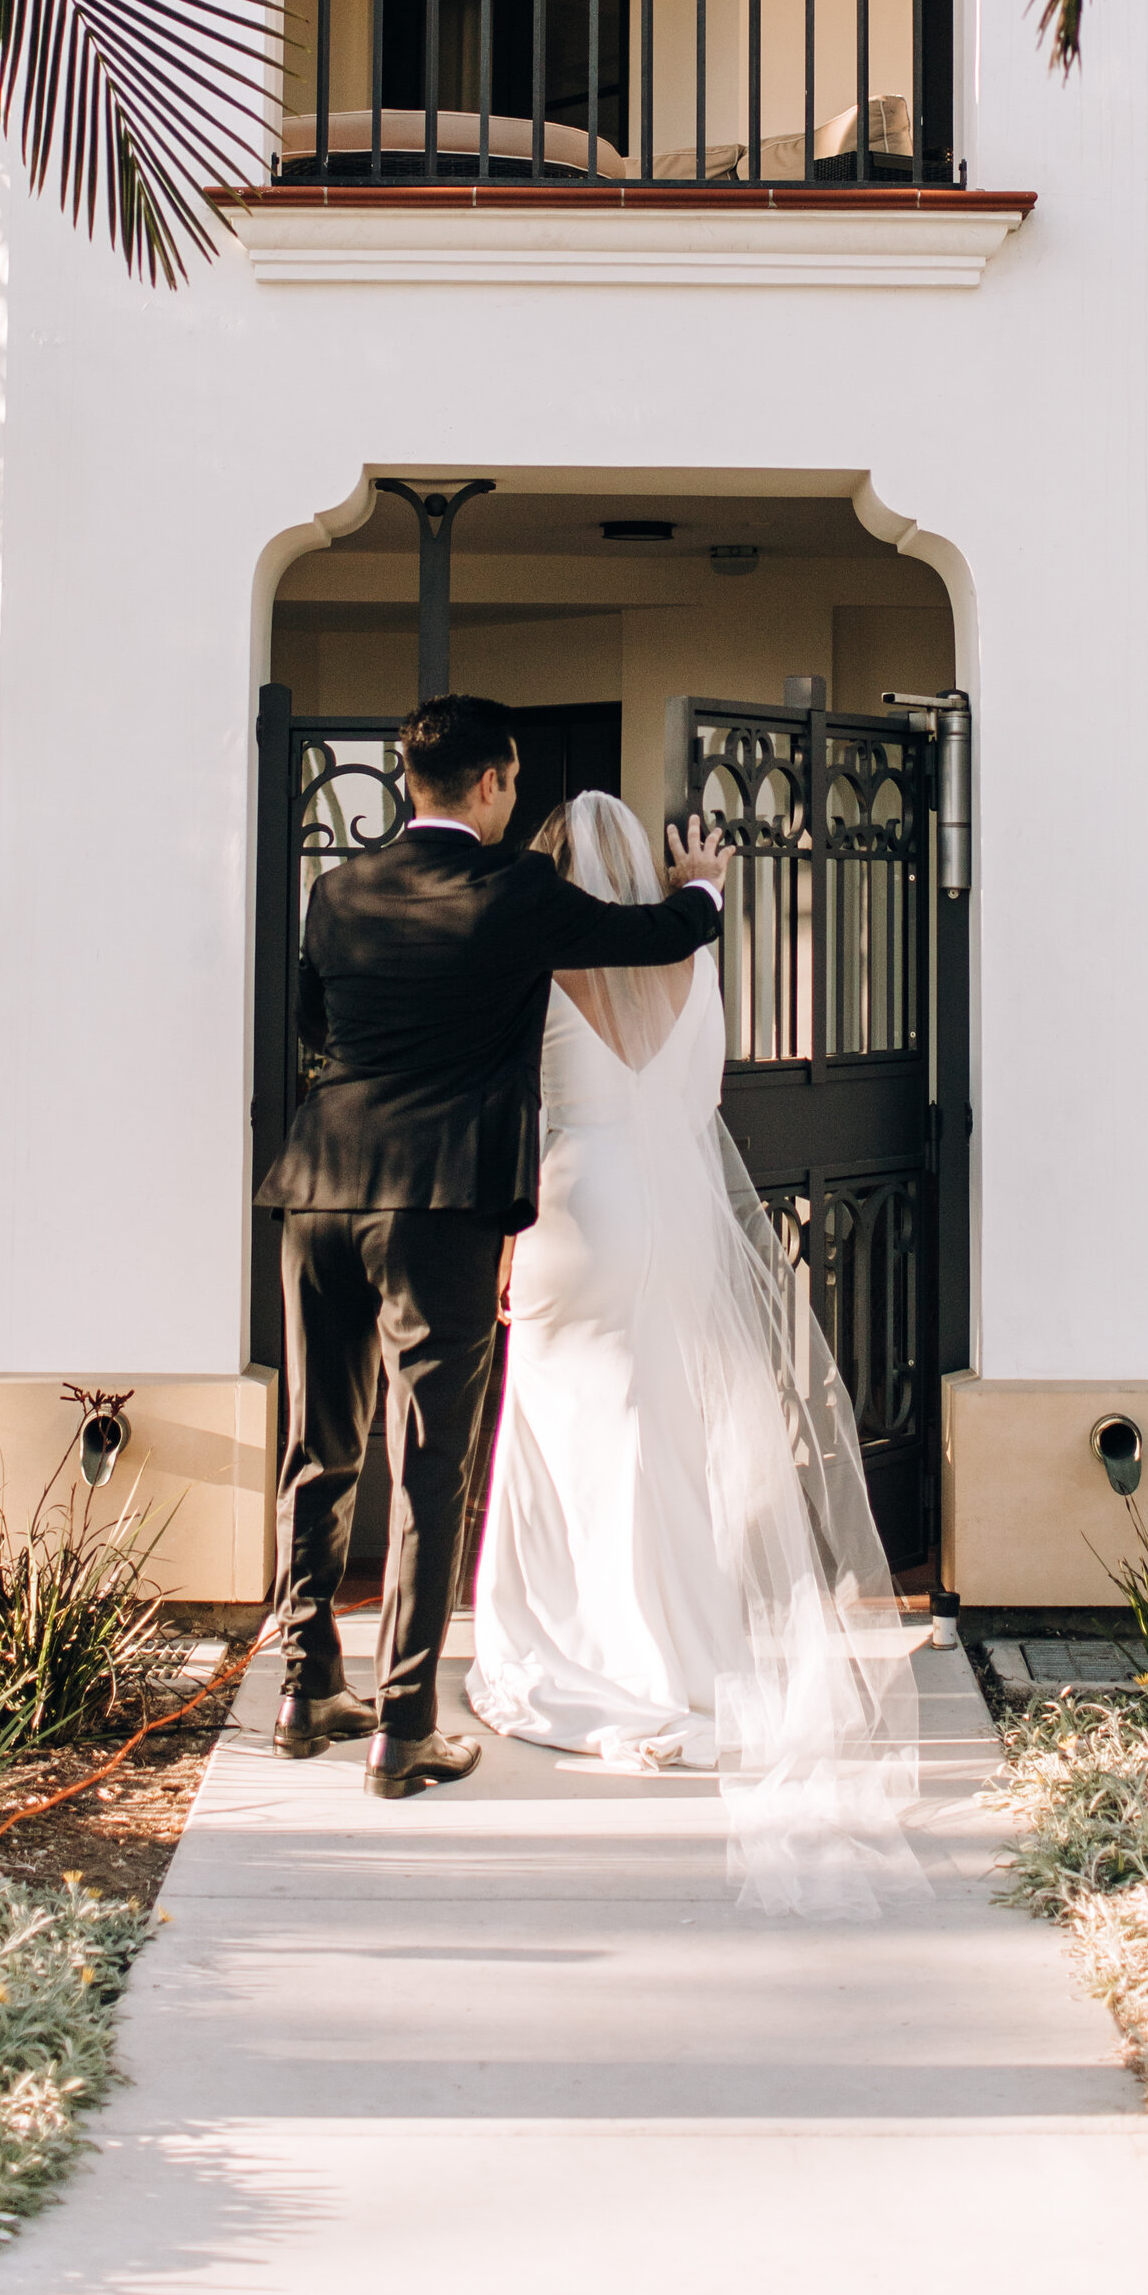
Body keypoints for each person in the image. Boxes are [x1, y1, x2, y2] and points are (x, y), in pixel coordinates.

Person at [264, 696, 729, 1801]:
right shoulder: (514, 891)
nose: (513, 800)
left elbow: (314, 1026)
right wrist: (701, 885)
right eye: (511, 784)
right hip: (441, 1202)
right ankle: (403, 1726)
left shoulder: (337, 890)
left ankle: (303, 1685)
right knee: (431, 1457)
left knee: (316, 1444)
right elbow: (654, 937)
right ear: (489, 784)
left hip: (320, 1186)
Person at [468, 790, 921, 1916]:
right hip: (669, 1218)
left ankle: (584, 1658)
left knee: (564, 1433)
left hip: (574, 1209)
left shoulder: (546, 958)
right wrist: (698, 892)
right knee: (663, 1434)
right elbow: (702, 1092)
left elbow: (518, 1099)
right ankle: (680, 1659)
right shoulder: (690, 957)